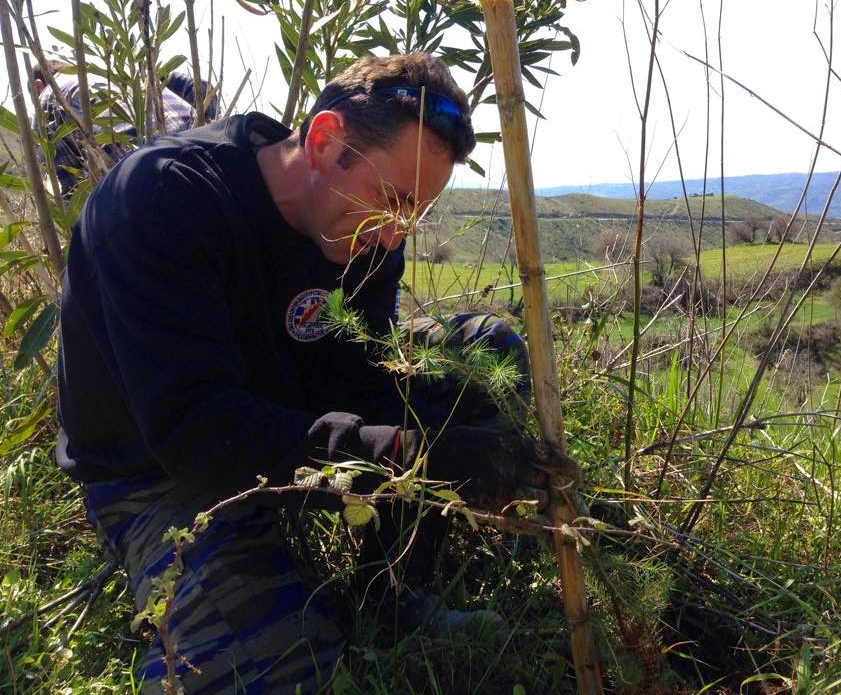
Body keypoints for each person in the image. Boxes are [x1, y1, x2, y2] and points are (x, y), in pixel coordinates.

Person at [56, 53, 574, 693]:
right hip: (160, 474)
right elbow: (195, 434)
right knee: (286, 673)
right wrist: (410, 456)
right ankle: (205, 608)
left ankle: (396, 590)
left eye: (414, 213)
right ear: (326, 140)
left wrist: (432, 449)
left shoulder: (366, 234)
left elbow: (361, 376)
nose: (394, 236)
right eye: (392, 200)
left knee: (480, 353)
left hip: (290, 414)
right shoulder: (164, 200)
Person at [32, 60, 219, 198]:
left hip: (155, 186)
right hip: (211, 157)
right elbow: (199, 87)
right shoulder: (115, 70)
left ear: (38, 86)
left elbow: (71, 192)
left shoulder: (49, 97)